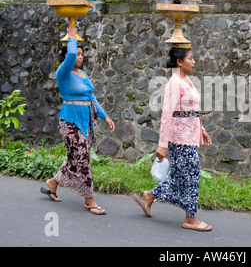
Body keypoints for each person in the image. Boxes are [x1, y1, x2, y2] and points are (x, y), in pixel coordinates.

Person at [132, 44, 212, 231]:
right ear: (179, 61)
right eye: (190, 58)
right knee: (193, 175)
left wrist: (202, 129)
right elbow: (167, 114)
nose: (194, 61)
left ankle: (150, 196)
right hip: (179, 138)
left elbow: (190, 110)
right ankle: (190, 218)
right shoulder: (174, 83)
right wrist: (162, 145)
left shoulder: (187, 81)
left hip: (189, 136)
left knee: (178, 175)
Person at [40, 22, 115, 215]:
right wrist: (71, 35)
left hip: (86, 121)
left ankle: (52, 183)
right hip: (70, 122)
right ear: (66, 57)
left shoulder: (83, 74)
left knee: (75, 158)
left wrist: (105, 116)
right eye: (77, 54)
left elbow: (91, 97)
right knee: (82, 159)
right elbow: (71, 54)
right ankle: (89, 199)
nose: (80, 57)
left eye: (82, 54)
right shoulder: (62, 73)